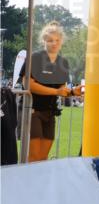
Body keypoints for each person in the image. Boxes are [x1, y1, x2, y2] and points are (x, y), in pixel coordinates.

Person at [20, 22, 81, 162]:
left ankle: (40, 183)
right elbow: (28, 84)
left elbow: (61, 90)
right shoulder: (34, 58)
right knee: (34, 155)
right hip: (32, 110)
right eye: (50, 40)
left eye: (57, 40)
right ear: (43, 41)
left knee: (43, 157)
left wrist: (72, 92)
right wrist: (55, 91)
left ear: (62, 42)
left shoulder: (63, 63)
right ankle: (28, 182)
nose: (54, 43)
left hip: (50, 112)